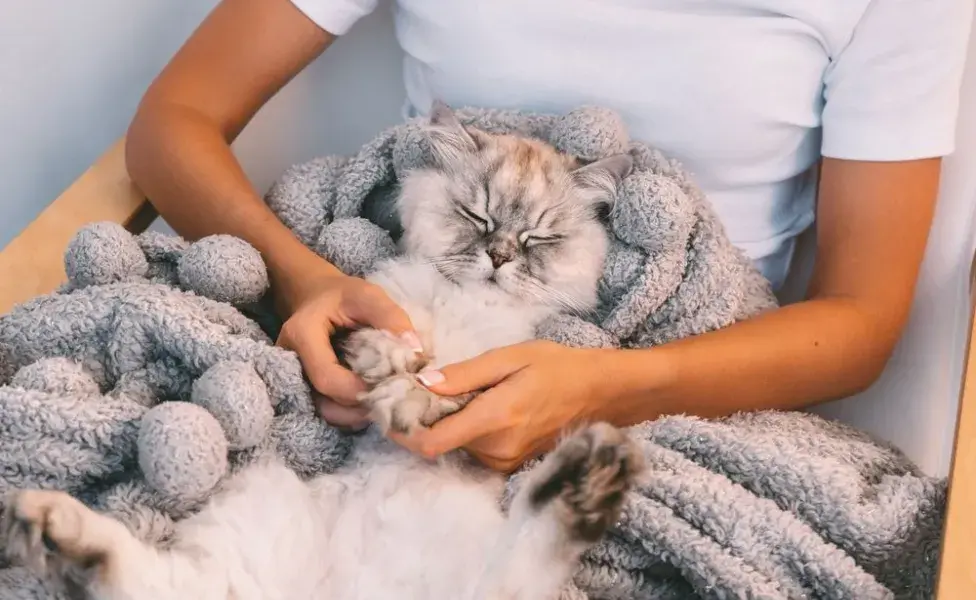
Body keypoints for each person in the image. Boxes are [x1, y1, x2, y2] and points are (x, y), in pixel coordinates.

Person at [124, 0, 974, 472]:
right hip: (413, 322)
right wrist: (302, 280)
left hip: (677, 385)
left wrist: (605, 389)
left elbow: (861, 318)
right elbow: (175, 120)